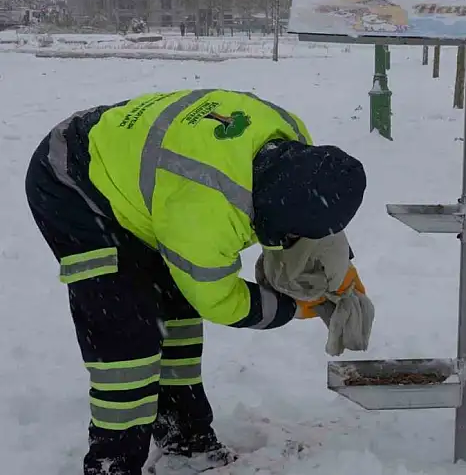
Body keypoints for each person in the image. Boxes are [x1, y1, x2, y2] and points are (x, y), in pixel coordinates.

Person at [24, 89, 368, 475]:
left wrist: (340, 266)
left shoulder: (290, 135)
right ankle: (112, 465)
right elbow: (220, 301)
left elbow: (315, 206)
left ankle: (187, 443)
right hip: (69, 181)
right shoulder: (206, 212)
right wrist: (291, 308)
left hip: (138, 169)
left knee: (177, 316)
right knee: (126, 339)